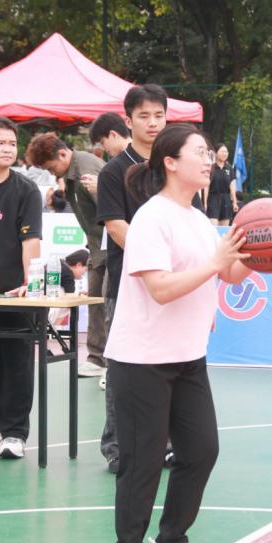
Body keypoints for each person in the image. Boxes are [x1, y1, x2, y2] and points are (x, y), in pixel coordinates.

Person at [103, 123, 251, 543]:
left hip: (188, 356)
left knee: (201, 451)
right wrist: (215, 264)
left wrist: (266, 252)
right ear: (170, 162)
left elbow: (228, 273)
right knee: (142, 462)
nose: (209, 160)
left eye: (209, 153)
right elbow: (161, 289)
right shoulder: (152, 218)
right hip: (141, 358)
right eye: (199, 153)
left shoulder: (198, 219)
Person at [96, 84, 169, 472]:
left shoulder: (174, 165)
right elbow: (115, 227)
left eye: (159, 115)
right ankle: (117, 446)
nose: (152, 123)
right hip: (127, 283)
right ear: (128, 121)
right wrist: (155, 260)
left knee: (169, 364)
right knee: (123, 369)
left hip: (172, 285)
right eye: (144, 116)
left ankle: (165, 443)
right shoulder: (114, 171)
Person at [26, 132, 107, 377]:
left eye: (52, 167)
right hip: (96, 247)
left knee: (108, 303)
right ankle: (97, 359)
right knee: (96, 302)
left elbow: (111, 208)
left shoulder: (86, 167)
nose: (52, 174)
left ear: (62, 154)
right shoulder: (71, 174)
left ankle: (111, 362)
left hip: (110, 246)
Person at [0, 117, 42, 460]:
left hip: (12, 294)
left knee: (16, 363)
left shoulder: (26, 190)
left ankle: (14, 433)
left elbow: (31, 243)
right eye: (0, 143)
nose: (7, 149)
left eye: (12, 143)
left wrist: (31, 285)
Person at [204, 143, 239, 226]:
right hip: (213, 200)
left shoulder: (229, 168)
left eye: (226, 152)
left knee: (224, 229)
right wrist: (205, 203)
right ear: (216, 153)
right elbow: (206, 186)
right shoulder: (211, 168)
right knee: (214, 227)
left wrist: (234, 202)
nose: (225, 154)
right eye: (222, 151)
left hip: (226, 201)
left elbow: (232, 186)